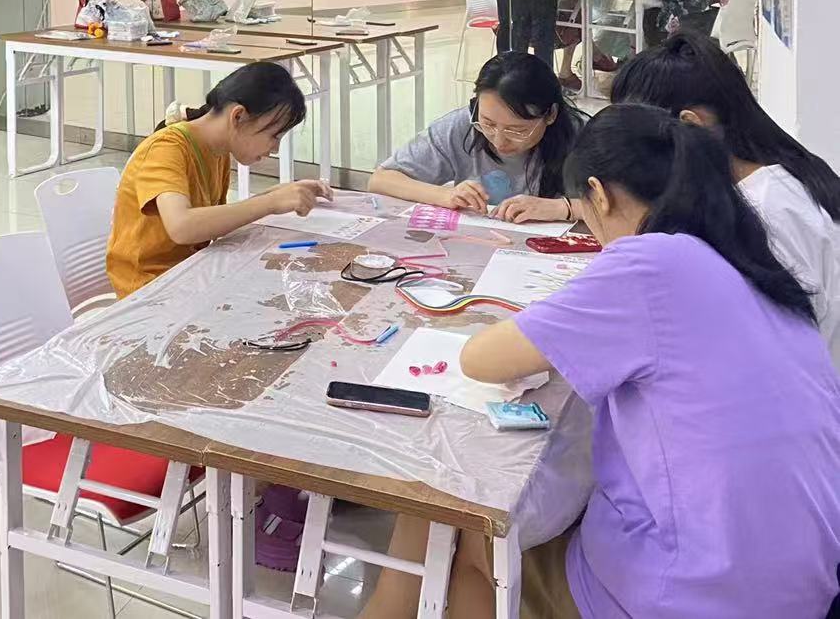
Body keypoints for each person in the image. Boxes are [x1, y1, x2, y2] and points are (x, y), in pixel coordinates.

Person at [360, 105, 840, 619]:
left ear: (599, 194)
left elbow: (481, 359)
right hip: (801, 583)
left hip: (691, 594)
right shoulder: (752, 263)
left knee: (473, 541)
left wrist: (554, 321)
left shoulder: (654, 263)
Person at [612, 30, 840, 364]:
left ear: (691, 125)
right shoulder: (778, 174)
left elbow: (780, 350)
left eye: (637, 144)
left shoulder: (767, 210)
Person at [106, 62, 329, 299]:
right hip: (149, 290)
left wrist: (277, 194)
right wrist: (271, 202)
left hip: (191, 274)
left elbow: (212, 220)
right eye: (274, 136)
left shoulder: (216, 151)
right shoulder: (166, 148)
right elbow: (182, 226)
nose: (275, 149)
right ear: (238, 116)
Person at [369, 52, 584, 223]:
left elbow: (607, 207)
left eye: (517, 130)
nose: (499, 141)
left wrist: (563, 208)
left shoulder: (584, 137)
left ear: (551, 114)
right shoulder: (461, 126)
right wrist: (445, 195)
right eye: (488, 124)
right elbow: (381, 180)